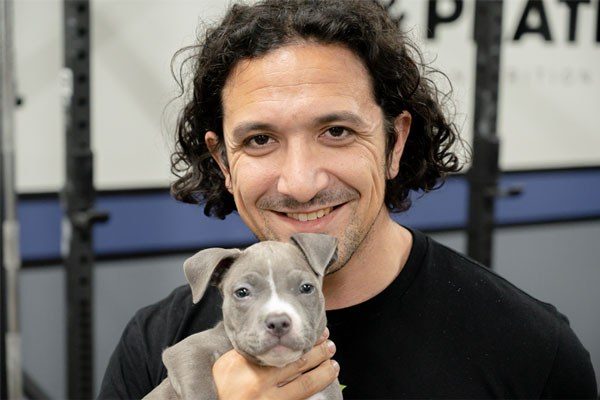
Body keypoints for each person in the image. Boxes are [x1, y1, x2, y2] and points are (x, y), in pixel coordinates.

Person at [99, 0, 597, 398]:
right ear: (224, 162)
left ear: (394, 143)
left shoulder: (532, 351)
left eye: (336, 131)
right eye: (259, 140)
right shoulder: (155, 343)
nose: (300, 182)